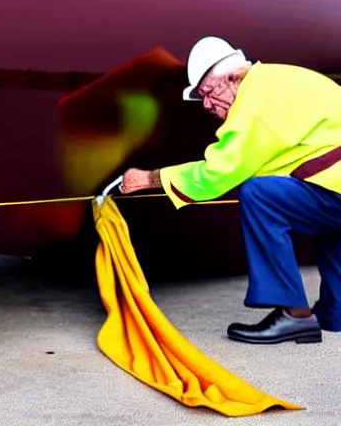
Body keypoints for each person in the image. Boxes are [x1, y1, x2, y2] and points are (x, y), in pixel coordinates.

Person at [117, 35, 341, 345]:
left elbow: (217, 173)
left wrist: (150, 178)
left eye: (208, 93)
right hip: (334, 182)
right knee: (329, 218)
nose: (206, 104)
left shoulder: (254, 102)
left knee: (260, 195)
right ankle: (336, 312)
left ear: (234, 78)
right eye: (201, 97)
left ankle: (294, 315)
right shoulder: (278, 80)